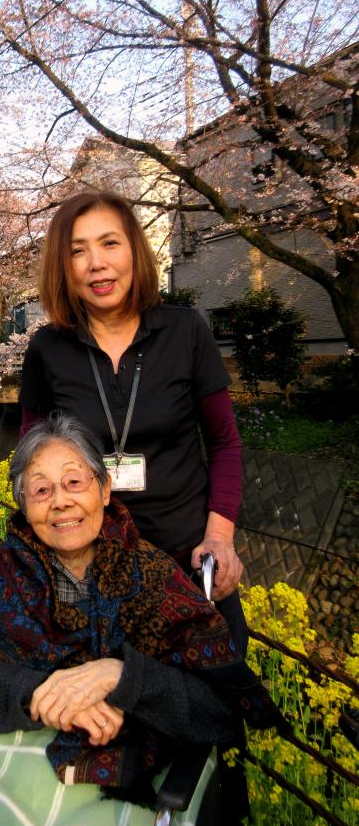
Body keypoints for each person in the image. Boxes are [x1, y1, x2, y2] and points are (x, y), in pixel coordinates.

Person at [0, 417, 277, 826]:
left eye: (74, 483)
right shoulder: (5, 572)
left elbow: (216, 708)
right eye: (42, 490)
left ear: (103, 491)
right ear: (26, 509)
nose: (60, 501)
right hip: (7, 757)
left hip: (124, 772)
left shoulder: (152, 575)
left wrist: (122, 676)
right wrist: (36, 692)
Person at [19, 189, 246, 649]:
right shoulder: (47, 349)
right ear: (63, 267)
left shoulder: (186, 331)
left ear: (134, 250)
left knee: (209, 700)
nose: (95, 264)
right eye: (77, 251)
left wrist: (219, 539)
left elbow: (224, 443)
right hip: (87, 570)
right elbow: (30, 459)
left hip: (187, 562)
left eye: (109, 244)